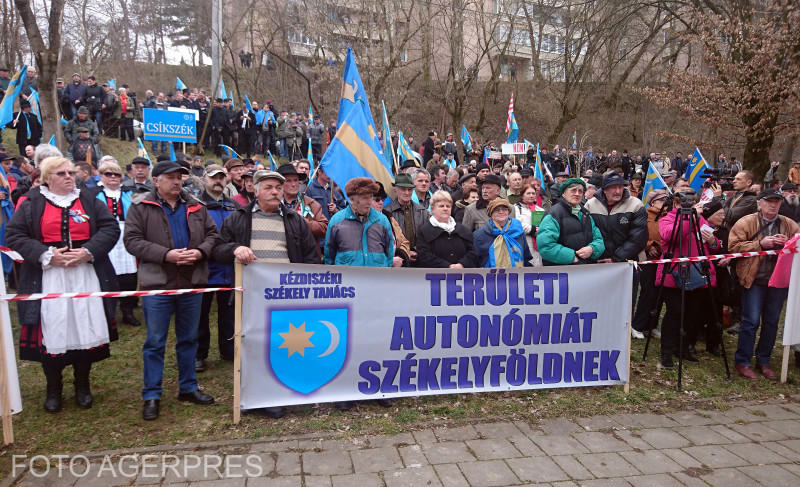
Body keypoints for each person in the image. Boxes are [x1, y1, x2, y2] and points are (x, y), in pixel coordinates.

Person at [6, 156, 120, 413]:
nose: (69, 176)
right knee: (54, 330)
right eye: (61, 173)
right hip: (49, 277)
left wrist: (88, 251)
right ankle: (53, 388)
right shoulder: (31, 202)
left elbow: (110, 228)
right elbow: (14, 234)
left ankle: (82, 385)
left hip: (85, 273)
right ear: (47, 178)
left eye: (70, 172)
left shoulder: (89, 198)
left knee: (84, 328)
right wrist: (47, 255)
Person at [213, 170, 319, 417]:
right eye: (269, 187)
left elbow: (311, 257)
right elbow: (217, 249)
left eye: (278, 188)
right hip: (253, 296)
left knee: (288, 344)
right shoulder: (238, 218)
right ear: (256, 190)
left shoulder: (294, 219)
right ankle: (258, 396)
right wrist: (235, 248)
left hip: (288, 296)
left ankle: (286, 390)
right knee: (255, 345)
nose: (275, 192)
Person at [123, 160, 219, 421]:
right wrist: (167, 255)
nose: (177, 181)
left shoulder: (197, 206)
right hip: (158, 284)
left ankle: (188, 387)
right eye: (171, 177)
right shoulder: (141, 206)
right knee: (155, 342)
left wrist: (200, 252)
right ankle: (151, 394)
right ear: (156, 181)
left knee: (188, 338)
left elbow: (213, 235)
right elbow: (131, 241)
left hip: (192, 281)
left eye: (180, 177)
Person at [729, 189, 800, 380]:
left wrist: (788, 245)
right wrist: (761, 244)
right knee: (751, 321)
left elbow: (798, 243)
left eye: (777, 202)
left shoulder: (788, 224)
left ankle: (764, 360)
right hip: (754, 280)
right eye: (769, 201)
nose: (773, 205)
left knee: (771, 322)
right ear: (759, 203)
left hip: (778, 281)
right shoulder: (746, 222)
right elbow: (733, 247)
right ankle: (742, 361)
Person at [654, 188, 720, 370]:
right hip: (673, 275)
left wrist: (713, 241)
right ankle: (666, 352)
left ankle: (682, 348)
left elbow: (713, 247)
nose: (687, 206)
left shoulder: (700, 220)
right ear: (675, 204)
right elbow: (671, 236)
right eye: (682, 202)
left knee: (692, 314)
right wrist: (688, 218)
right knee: (675, 313)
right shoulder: (667, 219)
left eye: (691, 202)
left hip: (697, 274)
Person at [195, 164, 239, 372]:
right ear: (204, 180)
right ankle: (199, 354)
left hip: (228, 269)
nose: (218, 181)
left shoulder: (233, 207)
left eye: (222, 177)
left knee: (228, 313)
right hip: (203, 268)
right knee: (201, 314)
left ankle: (228, 348)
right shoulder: (195, 206)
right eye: (214, 177)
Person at [93, 159, 140, 326]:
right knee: (107, 275)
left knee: (129, 276)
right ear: (101, 176)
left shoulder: (129, 193)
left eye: (116, 174)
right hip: (105, 235)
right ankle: (108, 313)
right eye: (108, 174)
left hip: (127, 234)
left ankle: (127, 311)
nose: (113, 177)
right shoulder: (93, 194)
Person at [324, 177, 395, 268]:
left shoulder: (382, 220)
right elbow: (329, 257)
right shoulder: (336, 222)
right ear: (352, 199)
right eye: (365, 198)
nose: (369, 202)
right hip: (348, 280)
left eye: (371, 197)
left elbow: (389, 254)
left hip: (377, 280)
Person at [537, 178, 605, 265]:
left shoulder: (585, 214)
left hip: (586, 269)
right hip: (563, 273)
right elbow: (545, 246)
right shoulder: (554, 214)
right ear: (564, 193)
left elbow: (599, 240)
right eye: (573, 190)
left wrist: (592, 249)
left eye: (580, 191)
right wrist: (571, 257)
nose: (577, 194)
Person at [585, 173, 648, 263]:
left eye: (620, 187)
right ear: (604, 189)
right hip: (599, 261)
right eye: (613, 187)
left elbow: (639, 238)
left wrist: (616, 258)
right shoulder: (590, 205)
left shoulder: (636, 205)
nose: (618, 191)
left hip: (628, 261)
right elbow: (587, 234)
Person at [631, 190, 668, 338]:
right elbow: (636, 235)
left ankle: (651, 325)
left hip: (664, 258)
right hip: (646, 259)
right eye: (662, 200)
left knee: (660, 293)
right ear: (653, 202)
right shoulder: (643, 216)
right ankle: (638, 325)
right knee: (648, 292)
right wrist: (649, 246)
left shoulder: (668, 217)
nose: (665, 203)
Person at [415, 190, 478, 268]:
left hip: (462, 276)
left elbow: (472, 252)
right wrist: (447, 266)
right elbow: (424, 255)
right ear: (432, 208)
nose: (445, 209)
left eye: (448, 206)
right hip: (434, 277)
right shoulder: (424, 231)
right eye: (441, 206)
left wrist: (462, 264)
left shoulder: (463, 230)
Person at [277, 163, 328, 254]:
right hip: (281, 254)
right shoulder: (274, 204)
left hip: (306, 256)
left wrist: (302, 222)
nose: (293, 184)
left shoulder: (311, 203)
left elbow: (324, 228)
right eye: (288, 181)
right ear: (280, 184)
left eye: (296, 180)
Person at [473, 198, 533, 268]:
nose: (501, 212)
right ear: (491, 214)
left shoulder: (518, 230)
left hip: (517, 276)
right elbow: (476, 260)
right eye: (497, 210)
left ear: (508, 212)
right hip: (491, 276)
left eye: (504, 209)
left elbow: (525, 256)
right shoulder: (480, 235)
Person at [385, 173, 427, 265]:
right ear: (395, 190)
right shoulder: (387, 213)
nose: (407, 193)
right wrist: (405, 253)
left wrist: (416, 251)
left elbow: (426, 237)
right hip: (398, 262)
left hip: (419, 260)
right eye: (403, 189)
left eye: (410, 189)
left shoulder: (422, 211)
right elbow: (388, 240)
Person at [513, 184, 545, 266]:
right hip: (524, 241)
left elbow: (545, 225)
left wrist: (541, 230)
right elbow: (518, 224)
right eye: (528, 193)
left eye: (533, 193)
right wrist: (533, 230)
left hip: (538, 242)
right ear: (522, 195)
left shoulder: (540, 210)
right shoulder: (516, 208)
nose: (531, 196)